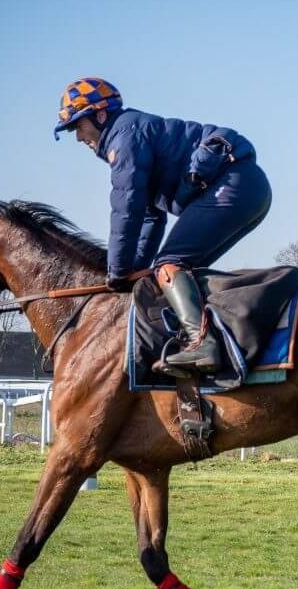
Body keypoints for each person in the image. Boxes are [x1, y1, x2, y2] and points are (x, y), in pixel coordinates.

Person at [54, 77, 272, 375]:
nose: (78, 137)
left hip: (235, 184)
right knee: (175, 272)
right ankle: (209, 337)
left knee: (170, 264)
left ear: (101, 115)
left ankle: (202, 344)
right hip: (247, 187)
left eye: (78, 126)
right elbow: (149, 218)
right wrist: (133, 272)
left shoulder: (124, 136)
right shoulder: (129, 134)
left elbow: (125, 209)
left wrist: (116, 271)